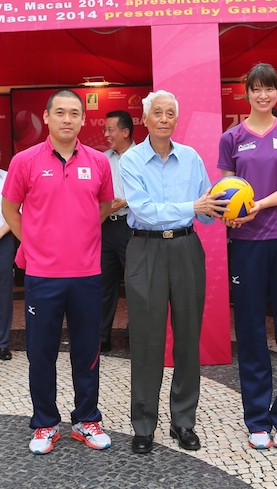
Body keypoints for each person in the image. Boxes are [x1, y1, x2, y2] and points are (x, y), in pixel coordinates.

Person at [2, 89, 114, 455]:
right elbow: (10, 208)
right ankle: (45, 424)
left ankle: (86, 419)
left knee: (87, 350)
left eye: (75, 113)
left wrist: (78, 237)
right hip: (42, 275)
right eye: (60, 112)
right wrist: (33, 243)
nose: (68, 119)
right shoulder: (24, 161)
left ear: (83, 120)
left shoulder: (98, 162)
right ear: (47, 117)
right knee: (41, 352)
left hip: (86, 273)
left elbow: (103, 207)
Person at [120, 90, 226, 454]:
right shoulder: (131, 160)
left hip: (185, 247)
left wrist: (222, 206)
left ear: (176, 120)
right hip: (145, 248)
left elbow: (203, 210)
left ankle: (183, 422)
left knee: (186, 337)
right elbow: (145, 210)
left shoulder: (192, 158)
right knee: (147, 341)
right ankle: (144, 425)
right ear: (145, 119)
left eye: (170, 114)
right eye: (158, 113)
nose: (164, 119)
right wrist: (193, 205)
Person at [217, 63, 277, 450]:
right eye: (256, 89)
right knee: (252, 331)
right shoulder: (231, 137)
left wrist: (255, 204)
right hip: (248, 244)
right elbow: (224, 190)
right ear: (246, 93)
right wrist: (230, 215)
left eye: (269, 88)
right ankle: (256, 418)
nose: (263, 95)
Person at [100, 110, 135, 353]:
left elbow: (152, 191)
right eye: (105, 130)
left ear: (125, 132)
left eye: (110, 130)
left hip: (131, 227)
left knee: (136, 285)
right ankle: (101, 340)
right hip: (105, 227)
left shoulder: (143, 157)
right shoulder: (102, 159)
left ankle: (135, 337)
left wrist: (125, 201)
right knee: (103, 285)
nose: (106, 134)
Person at [0, 150, 16, 361]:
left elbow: (15, 210)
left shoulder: (6, 178)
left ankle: (2, 343)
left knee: (3, 292)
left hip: (3, 238)